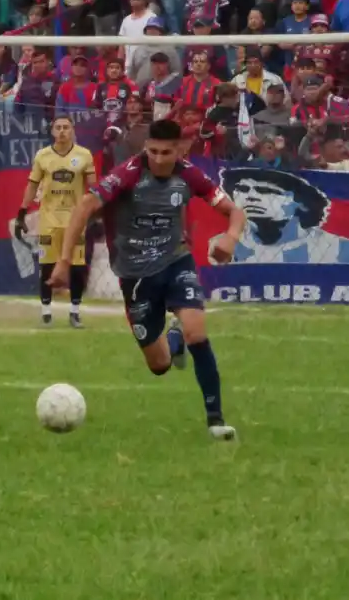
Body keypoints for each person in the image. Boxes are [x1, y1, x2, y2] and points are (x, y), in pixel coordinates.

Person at [47, 119, 245, 441]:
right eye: (152, 151)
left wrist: (231, 238)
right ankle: (173, 341)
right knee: (159, 364)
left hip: (175, 261)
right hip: (135, 275)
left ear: (180, 149)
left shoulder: (189, 174)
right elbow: (85, 206)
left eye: (166, 152)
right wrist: (64, 260)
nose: (158, 158)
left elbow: (234, 212)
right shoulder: (128, 174)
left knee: (198, 332)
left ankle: (216, 421)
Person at [15, 115, 95, 328]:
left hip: (75, 220)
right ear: (52, 131)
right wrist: (22, 212)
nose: (62, 131)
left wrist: (94, 213)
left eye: (66, 127)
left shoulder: (84, 155)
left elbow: (94, 187)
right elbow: (32, 186)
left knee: (77, 267)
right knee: (47, 265)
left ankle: (75, 312)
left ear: (72, 130)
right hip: (49, 219)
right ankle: (46, 312)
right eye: (58, 127)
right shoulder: (42, 156)